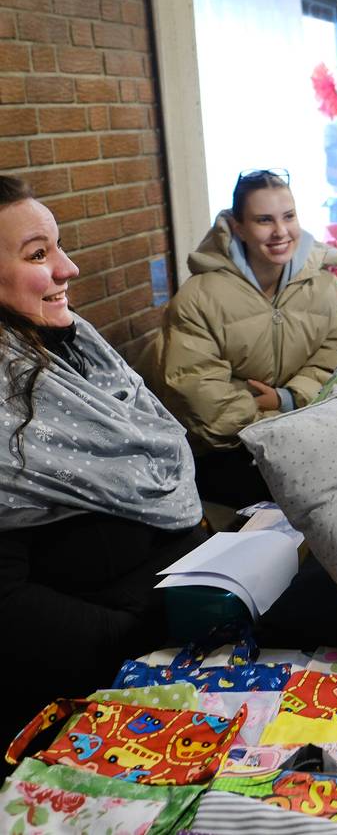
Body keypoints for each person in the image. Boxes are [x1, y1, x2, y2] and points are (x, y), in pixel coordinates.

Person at [0, 176, 206, 760]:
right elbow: (10, 610)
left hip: (180, 622)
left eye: (59, 246)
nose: (68, 269)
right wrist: (146, 632)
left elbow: (159, 451)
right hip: (86, 695)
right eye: (39, 254)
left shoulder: (69, 340)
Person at [140, 169, 337, 508]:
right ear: (238, 228)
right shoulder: (199, 299)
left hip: (301, 427)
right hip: (226, 451)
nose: (280, 232)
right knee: (321, 489)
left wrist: (287, 398)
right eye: (263, 220)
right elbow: (205, 406)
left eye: (288, 216)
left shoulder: (323, 286)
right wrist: (284, 421)